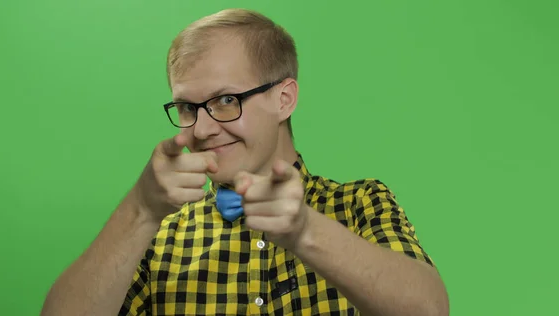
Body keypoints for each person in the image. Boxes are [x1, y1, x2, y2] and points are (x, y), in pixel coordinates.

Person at [41, 8, 449, 316]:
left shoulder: (361, 203)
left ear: (284, 98)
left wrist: (305, 231)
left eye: (225, 100)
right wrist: (141, 209)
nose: (200, 130)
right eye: (187, 107)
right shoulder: (159, 235)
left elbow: (430, 309)